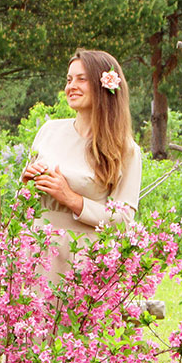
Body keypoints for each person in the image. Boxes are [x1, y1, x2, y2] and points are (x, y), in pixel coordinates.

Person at [21, 49, 142, 286]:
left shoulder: (125, 149)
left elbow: (125, 222)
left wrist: (71, 198)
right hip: (36, 252)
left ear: (104, 85)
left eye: (81, 79)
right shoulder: (49, 131)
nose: (71, 86)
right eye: (69, 79)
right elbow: (22, 205)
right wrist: (26, 185)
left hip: (83, 260)